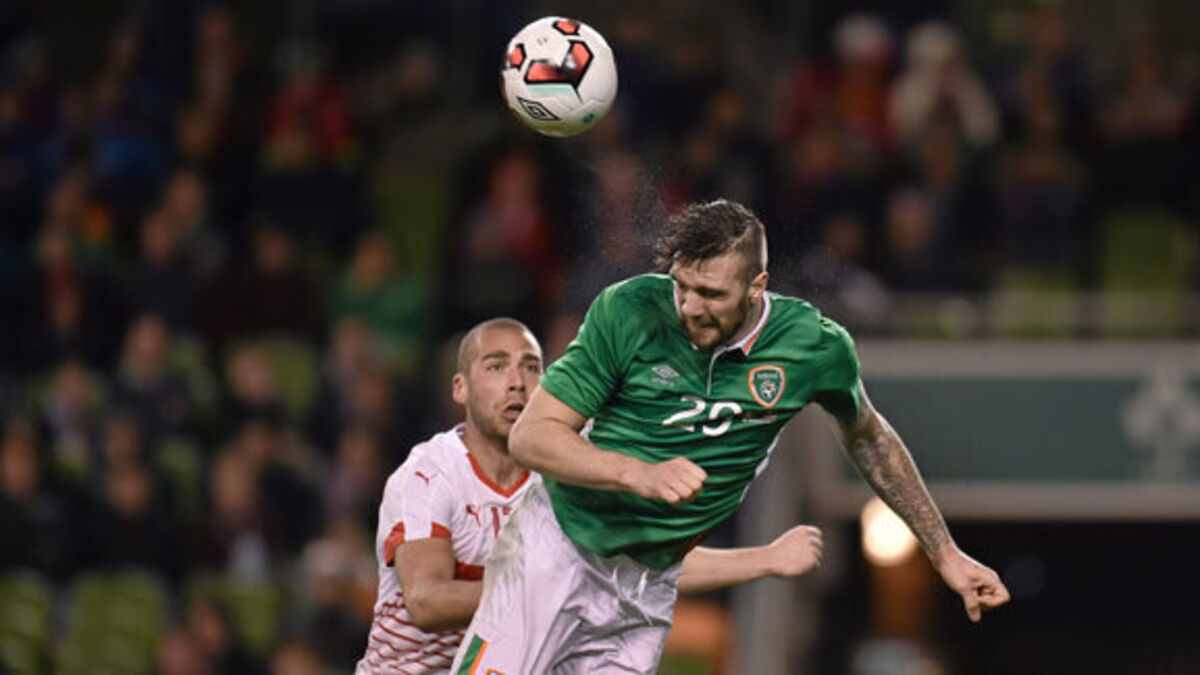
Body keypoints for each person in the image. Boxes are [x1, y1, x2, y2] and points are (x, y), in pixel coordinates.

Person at [452, 200, 1010, 674]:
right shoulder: (628, 309)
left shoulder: (812, 347)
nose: (690, 307)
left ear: (757, 286)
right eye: (682, 286)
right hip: (556, 548)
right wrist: (638, 473)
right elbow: (532, 437)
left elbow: (870, 438)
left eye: (710, 293)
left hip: (647, 586)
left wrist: (943, 551)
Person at [357, 317, 826, 674]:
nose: (517, 382)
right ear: (460, 388)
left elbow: (641, 566)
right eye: (496, 367)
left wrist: (766, 559)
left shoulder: (570, 471)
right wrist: (551, 586)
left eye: (532, 367)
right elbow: (427, 603)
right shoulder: (429, 474)